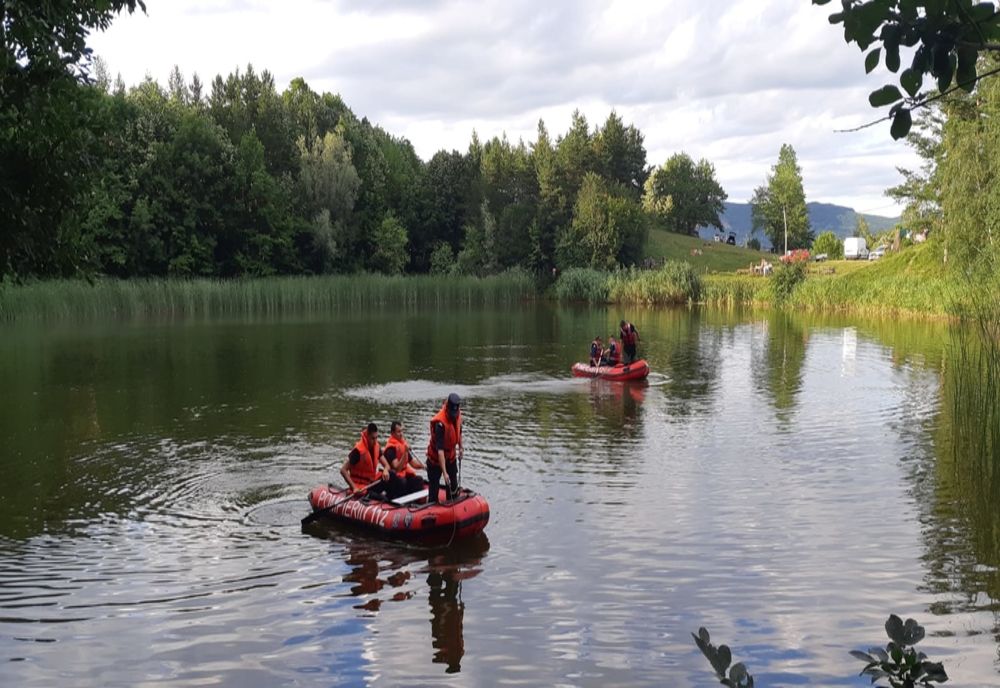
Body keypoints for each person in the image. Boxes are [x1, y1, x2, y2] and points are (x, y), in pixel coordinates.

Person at [426, 393, 463, 503]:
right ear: (447, 408)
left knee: (453, 483)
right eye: (452, 414)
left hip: (450, 456)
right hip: (436, 459)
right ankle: (432, 503)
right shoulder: (440, 424)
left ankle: (452, 502)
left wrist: (461, 448)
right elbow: (440, 451)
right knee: (434, 486)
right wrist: (444, 472)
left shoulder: (458, 415)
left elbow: (459, 432)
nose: (453, 416)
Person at [340, 422, 390, 498]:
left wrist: (386, 470)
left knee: (392, 474)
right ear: (367, 436)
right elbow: (343, 470)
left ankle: (397, 499)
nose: (375, 441)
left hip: (371, 484)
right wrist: (354, 488)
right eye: (373, 438)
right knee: (383, 498)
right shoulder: (358, 451)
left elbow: (387, 465)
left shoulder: (376, 447)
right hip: (361, 487)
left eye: (376, 438)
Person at [384, 420, 425, 499]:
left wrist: (424, 466)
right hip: (394, 478)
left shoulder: (402, 445)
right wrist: (405, 452)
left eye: (402, 431)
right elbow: (397, 468)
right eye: (398, 432)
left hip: (403, 475)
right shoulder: (390, 449)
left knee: (419, 480)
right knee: (402, 482)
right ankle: (398, 501)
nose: (401, 434)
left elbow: (413, 463)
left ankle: (416, 502)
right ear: (392, 433)